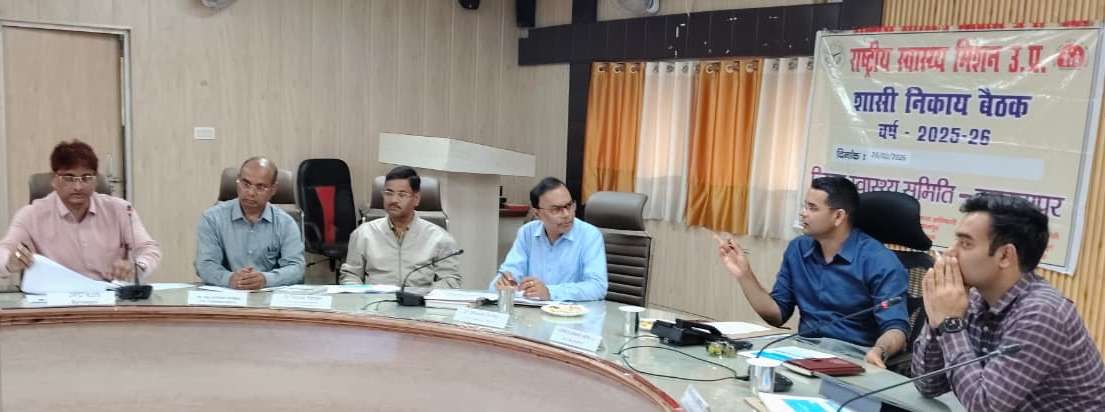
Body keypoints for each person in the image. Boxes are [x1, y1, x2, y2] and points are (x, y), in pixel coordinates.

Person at [912, 194, 1105, 410]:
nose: (950, 252)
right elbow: (927, 385)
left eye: (965, 244)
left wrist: (950, 322)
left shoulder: (1041, 314)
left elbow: (984, 406)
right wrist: (938, 318)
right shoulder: (972, 300)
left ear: (1005, 256)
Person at [717, 176, 909, 367]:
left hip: (852, 357)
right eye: (804, 206)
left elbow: (896, 328)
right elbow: (776, 315)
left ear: (838, 216)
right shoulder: (798, 249)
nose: (803, 214)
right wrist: (744, 275)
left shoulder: (880, 261)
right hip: (802, 351)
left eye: (812, 208)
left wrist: (880, 350)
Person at [0, 140, 161, 291]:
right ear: (54, 180)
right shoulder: (31, 215)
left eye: (86, 178)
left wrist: (136, 267)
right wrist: (9, 262)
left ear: (95, 181)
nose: (78, 186)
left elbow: (149, 249)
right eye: (69, 178)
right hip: (56, 299)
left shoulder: (121, 210)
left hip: (110, 299)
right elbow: (4, 250)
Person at [339, 166, 461, 288]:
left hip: (420, 298)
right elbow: (351, 275)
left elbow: (450, 280)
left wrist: (424, 294)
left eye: (402, 195)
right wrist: (359, 294)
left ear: (416, 199)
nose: (394, 200)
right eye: (388, 193)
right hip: (375, 298)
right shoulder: (363, 233)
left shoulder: (439, 237)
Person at [490, 177, 607, 301]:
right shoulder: (527, 233)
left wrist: (550, 292)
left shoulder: (589, 235)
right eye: (556, 209)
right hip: (532, 310)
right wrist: (502, 283)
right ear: (537, 214)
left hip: (573, 311)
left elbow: (597, 287)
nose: (567, 214)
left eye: (569, 206)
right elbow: (510, 271)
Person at [195, 157, 305, 290]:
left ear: (273, 189)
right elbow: (205, 265)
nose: (251, 193)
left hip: (269, 296)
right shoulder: (212, 218)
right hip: (226, 294)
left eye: (261, 187)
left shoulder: (286, 223)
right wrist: (230, 279)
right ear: (237, 181)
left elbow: (296, 268)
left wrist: (265, 279)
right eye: (246, 184)